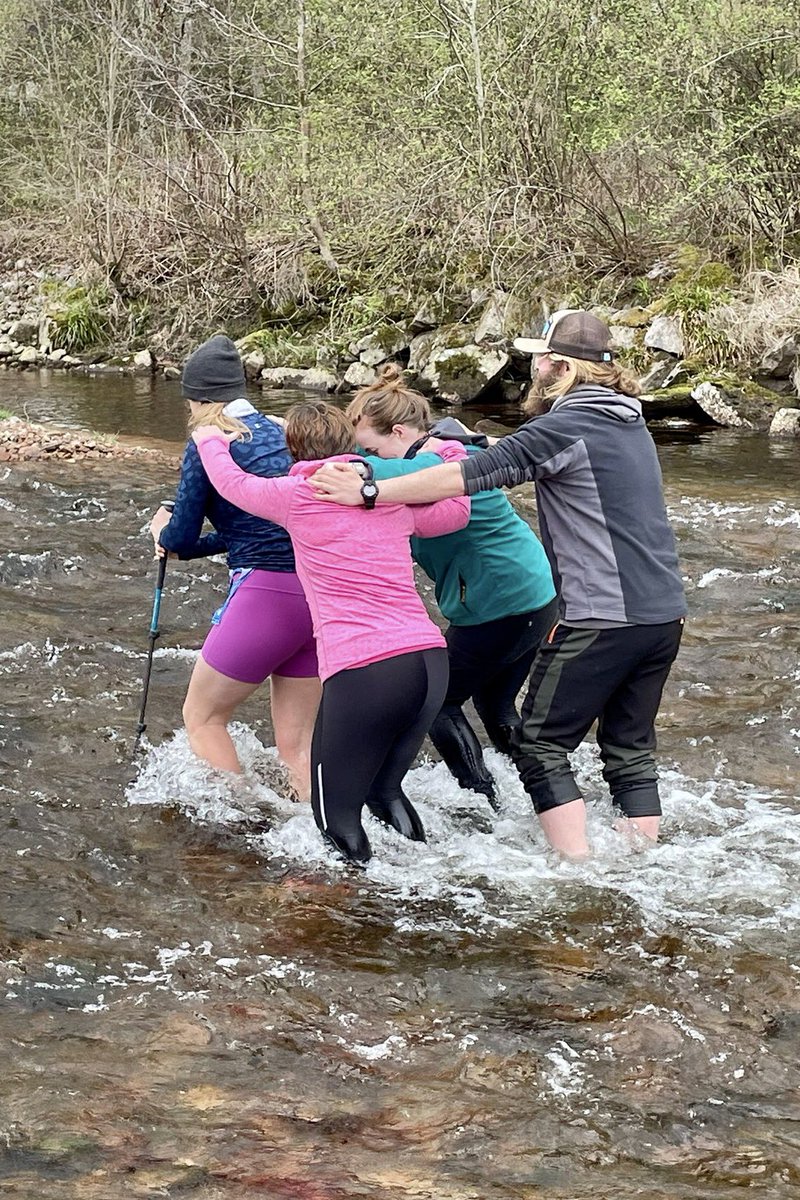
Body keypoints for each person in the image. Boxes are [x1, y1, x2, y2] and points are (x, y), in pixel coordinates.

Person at [309, 310, 687, 859]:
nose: (533, 366)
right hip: (664, 614)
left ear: (559, 366)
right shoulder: (627, 421)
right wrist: (474, 443)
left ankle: (578, 872)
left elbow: (470, 475)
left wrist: (369, 494)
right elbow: (506, 455)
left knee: (541, 745)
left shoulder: (565, 426)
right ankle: (639, 866)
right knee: (628, 747)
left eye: (539, 358)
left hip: (603, 617)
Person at [191, 400, 471, 866]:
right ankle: (425, 893)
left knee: (335, 819)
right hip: (429, 660)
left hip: (367, 671)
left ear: (292, 450)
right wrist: (450, 454)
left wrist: (210, 437)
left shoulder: (298, 493)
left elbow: (232, 484)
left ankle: (347, 919)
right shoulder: (383, 493)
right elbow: (457, 513)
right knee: (384, 793)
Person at [344, 366, 557, 806]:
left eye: (370, 447)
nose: (364, 456)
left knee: (436, 701)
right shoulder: (447, 449)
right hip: (536, 594)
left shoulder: (427, 464)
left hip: (500, 604)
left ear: (400, 432)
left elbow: (348, 469)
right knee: (494, 705)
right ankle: (543, 794)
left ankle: (484, 800)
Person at [148, 334, 320, 800]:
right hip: (320, 599)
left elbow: (180, 536)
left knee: (202, 718)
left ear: (196, 398)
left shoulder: (209, 444)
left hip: (266, 597)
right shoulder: (289, 433)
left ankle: (244, 828)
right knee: (298, 747)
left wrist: (165, 534)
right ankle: (317, 839)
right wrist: (197, 545)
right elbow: (263, 522)